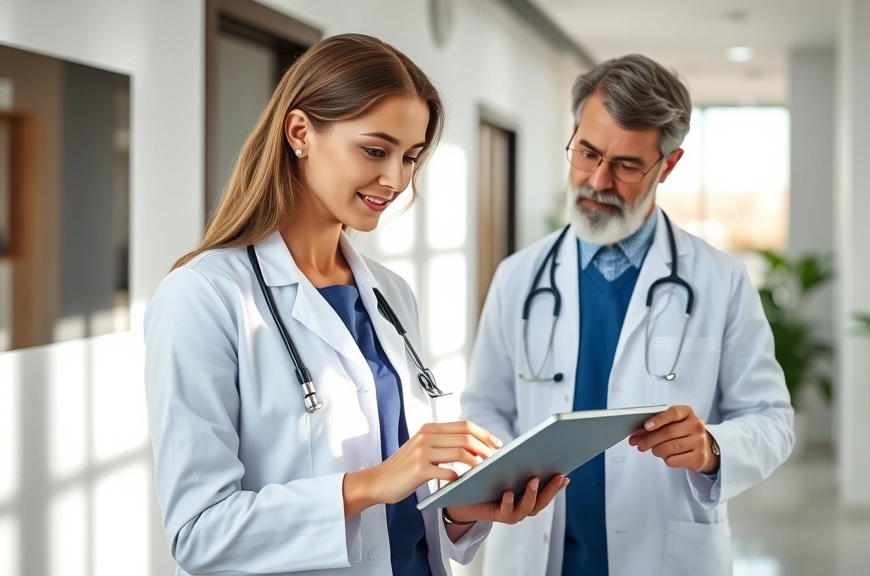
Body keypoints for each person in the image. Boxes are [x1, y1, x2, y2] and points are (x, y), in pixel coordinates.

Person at [144, 34, 563, 576]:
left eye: (410, 157)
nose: (395, 179)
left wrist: (459, 510)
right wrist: (372, 483)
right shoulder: (204, 296)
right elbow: (199, 532)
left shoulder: (390, 294)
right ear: (300, 133)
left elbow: (398, 512)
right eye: (375, 150)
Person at [459, 54, 794, 576]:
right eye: (587, 152)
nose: (598, 180)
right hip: (536, 551)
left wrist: (711, 448)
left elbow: (773, 419)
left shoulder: (719, 281)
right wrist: (503, 463)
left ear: (670, 164)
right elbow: (485, 403)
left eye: (627, 165)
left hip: (664, 554)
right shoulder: (518, 277)